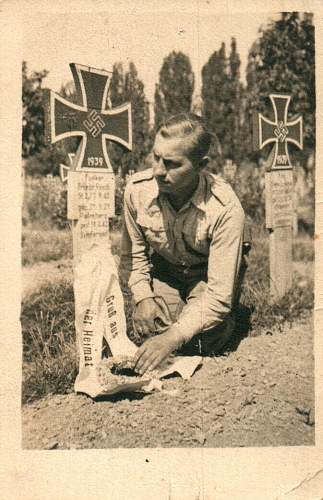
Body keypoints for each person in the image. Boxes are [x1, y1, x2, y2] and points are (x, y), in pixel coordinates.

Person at [120, 113, 249, 375]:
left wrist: (172, 337)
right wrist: (143, 298)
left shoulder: (225, 208)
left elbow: (217, 294)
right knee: (150, 329)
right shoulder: (136, 190)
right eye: (155, 157)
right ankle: (177, 315)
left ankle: (233, 319)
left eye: (171, 164)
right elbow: (133, 256)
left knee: (201, 339)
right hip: (166, 271)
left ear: (201, 165)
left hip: (206, 275)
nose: (157, 170)